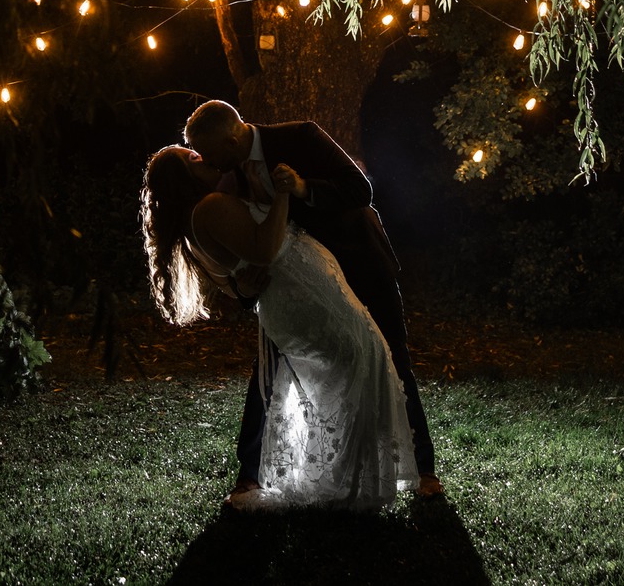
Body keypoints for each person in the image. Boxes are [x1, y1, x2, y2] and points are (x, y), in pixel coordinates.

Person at [141, 98, 441, 509]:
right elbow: (237, 251)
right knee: (266, 369)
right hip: (300, 284)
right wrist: (245, 288)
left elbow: (361, 190)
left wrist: (301, 189)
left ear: (231, 138)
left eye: (206, 151)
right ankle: (249, 476)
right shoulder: (224, 178)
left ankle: (424, 470)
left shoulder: (300, 137)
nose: (207, 159)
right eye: (196, 154)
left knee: (393, 356)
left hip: (358, 260)